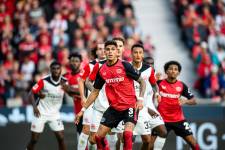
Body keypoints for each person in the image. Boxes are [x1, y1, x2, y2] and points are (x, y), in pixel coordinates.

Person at [75, 40, 146, 150]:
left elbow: (142, 81)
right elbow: (94, 92)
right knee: (97, 137)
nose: (110, 52)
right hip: (114, 109)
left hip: (130, 106)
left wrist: (140, 99)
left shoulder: (125, 65)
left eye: (113, 49)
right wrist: (82, 111)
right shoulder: (102, 70)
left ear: (117, 52)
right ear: (105, 52)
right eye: (107, 49)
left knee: (127, 134)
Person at [26, 61, 77, 150]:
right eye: (54, 69)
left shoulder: (64, 81)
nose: (56, 70)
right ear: (50, 70)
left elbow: (69, 92)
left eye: (58, 68)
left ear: (61, 70)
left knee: (61, 138)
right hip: (41, 112)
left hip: (54, 114)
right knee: (34, 139)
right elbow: (31, 93)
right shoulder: (44, 81)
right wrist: (34, 108)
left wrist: (70, 91)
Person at [130, 44, 167, 150]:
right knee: (130, 137)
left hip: (147, 108)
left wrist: (157, 93)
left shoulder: (150, 73)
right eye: (148, 64)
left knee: (162, 132)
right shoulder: (129, 69)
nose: (150, 66)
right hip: (134, 107)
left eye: (152, 64)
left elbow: (155, 85)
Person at [157, 60, 199, 150]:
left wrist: (186, 101)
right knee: (151, 144)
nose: (173, 71)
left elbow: (194, 100)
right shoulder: (159, 83)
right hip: (161, 120)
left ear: (178, 73)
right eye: (171, 69)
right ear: (166, 71)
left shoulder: (182, 85)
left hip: (179, 120)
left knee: (193, 142)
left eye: (176, 69)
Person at [77, 43, 106, 150]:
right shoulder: (90, 65)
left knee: (107, 133)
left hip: (108, 102)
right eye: (100, 49)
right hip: (92, 101)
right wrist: (83, 97)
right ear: (96, 52)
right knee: (86, 129)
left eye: (104, 49)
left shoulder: (113, 64)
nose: (103, 51)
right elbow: (81, 80)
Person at [64, 52, 83, 135]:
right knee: (79, 134)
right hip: (77, 110)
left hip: (88, 109)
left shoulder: (84, 75)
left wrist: (71, 89)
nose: (74, 63)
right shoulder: (66, 76)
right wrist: (77, 91)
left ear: (80, 62)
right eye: (72, 61)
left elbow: (86, 92)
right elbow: (67, 92)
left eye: (76, 61)